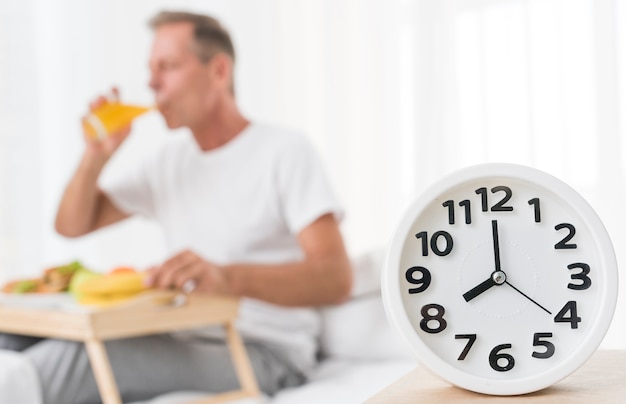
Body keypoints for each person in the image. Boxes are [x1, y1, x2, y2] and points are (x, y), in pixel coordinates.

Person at [0, 10, 352, 403]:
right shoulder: (169, 163)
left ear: (219, 71)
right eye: (150, 69)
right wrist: (95, 157)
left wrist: (227, 278)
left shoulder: (284, 151)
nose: (151, 83)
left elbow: (335, 279)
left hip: (265, 350)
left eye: (167, 67)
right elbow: (71, 224)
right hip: (180, 332)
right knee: (11, 337)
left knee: (73, 361)